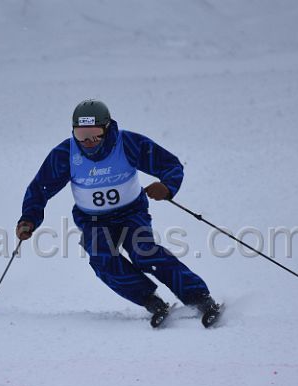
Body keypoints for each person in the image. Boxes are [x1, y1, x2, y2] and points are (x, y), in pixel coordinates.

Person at [16, 99, 221, 327]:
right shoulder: (65, 154)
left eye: (95, 134)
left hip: (131, 213)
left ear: (107, 128)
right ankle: (151, 301)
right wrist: (29, 218)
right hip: (93, 220)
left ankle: (200, 299)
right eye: (81, 134)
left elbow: (170, 165)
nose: (88, 142)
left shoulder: (128, 143)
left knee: (144, 252)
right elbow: (40, 188)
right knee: (102, 259)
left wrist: (167, 186)